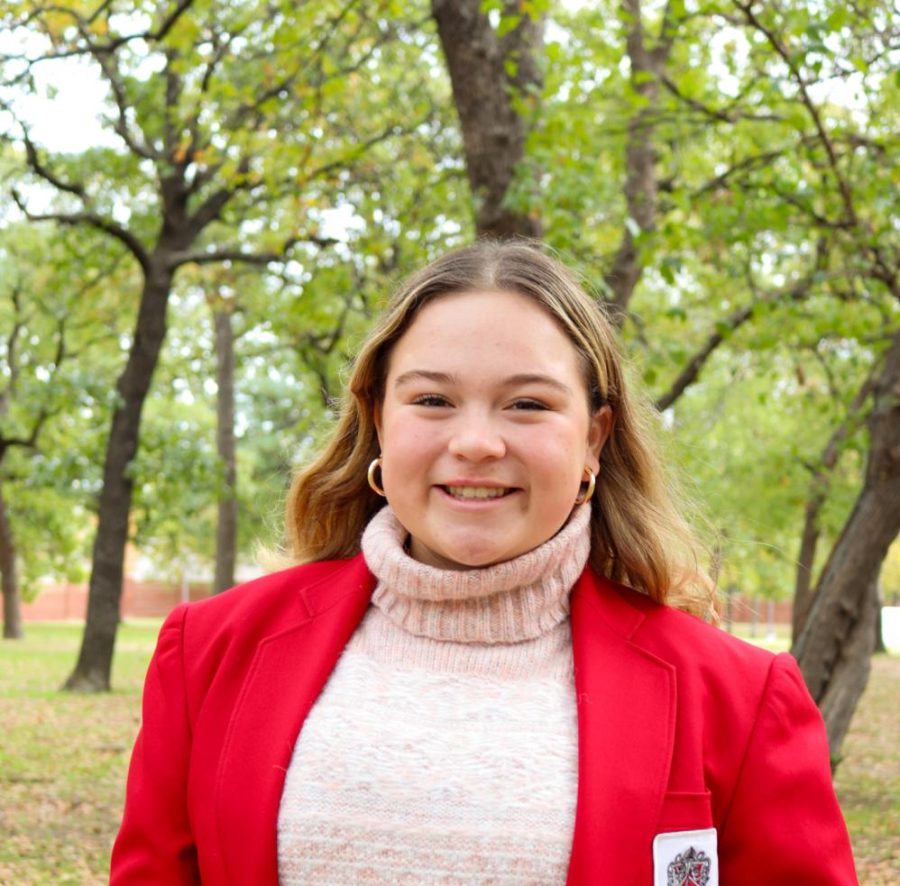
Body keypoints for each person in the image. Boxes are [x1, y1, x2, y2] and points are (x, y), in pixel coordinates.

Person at [111, 240, 857, 885]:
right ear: (379, 420)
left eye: (527, 405)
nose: (475, 442)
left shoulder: (739, 699)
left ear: (593, 439)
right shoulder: (207, 655)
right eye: (432, 399)